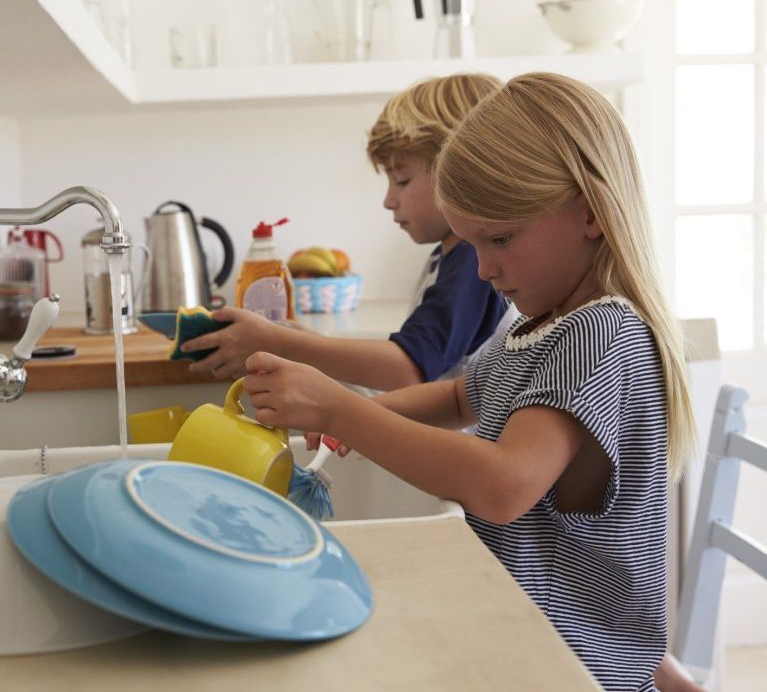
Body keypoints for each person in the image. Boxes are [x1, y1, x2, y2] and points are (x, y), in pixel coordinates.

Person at [241, 72, 698, 692]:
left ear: (590, 213)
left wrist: (344, 411)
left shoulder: (601, 332)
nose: (483, 268)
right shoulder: (541, 326)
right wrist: (339, 412)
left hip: (570, 668)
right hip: (527, 641)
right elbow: (461, 396)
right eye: (474, 242)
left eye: (500, 239)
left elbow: (505, 484)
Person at [181, 74, 510, 392]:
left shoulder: (473, 260)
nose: (388, 200)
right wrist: (308, 344)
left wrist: (280, 343)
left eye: (402, 180)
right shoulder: (449, 256)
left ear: (460, 171)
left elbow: (408, 368)